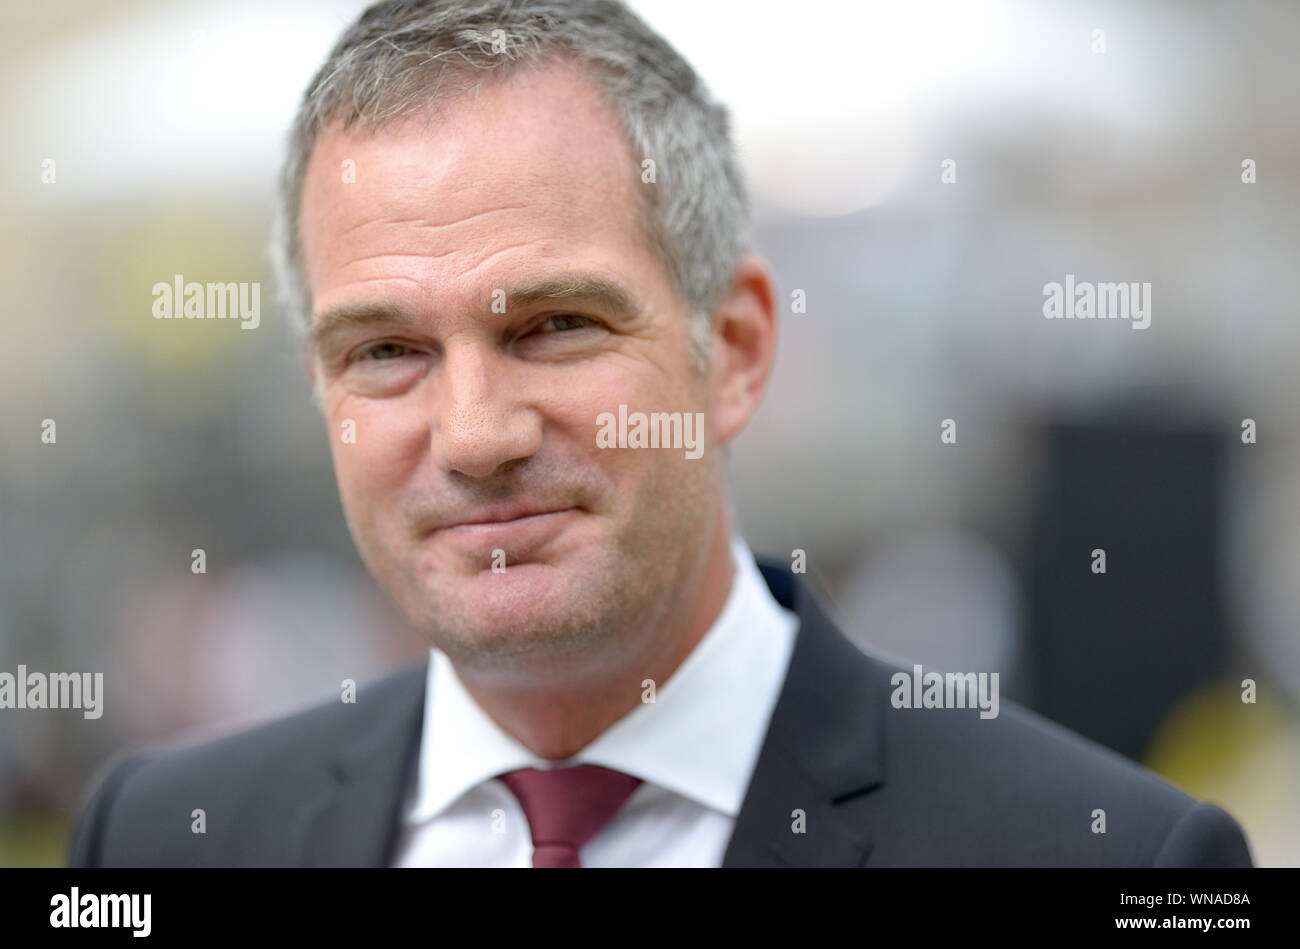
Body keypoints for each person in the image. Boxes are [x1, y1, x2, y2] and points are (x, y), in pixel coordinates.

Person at [68, 0, 1252, 867]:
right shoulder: (165, 841)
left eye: (555, 326)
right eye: (385, 352)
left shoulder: (1103, 859)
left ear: (731, 351)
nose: (476, 435)